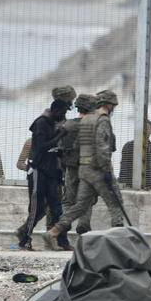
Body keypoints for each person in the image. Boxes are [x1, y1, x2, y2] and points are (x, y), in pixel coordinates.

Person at [43, 90, 123, 249]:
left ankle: (53, 231)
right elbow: (104, 147)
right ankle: (118, 241)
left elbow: (74, 146)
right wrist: (105, 169)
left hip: (82, 169)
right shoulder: (101, 120)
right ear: (108, 105)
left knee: (80, 205)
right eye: (113, 105)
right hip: (98, 168)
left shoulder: (83, 122)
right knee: (116, 202)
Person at [17, 86, 74, 251]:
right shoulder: (41, 123)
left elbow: (56, 150)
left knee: (57, 207)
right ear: (56, 111)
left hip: (51, 172)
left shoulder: (55, 123)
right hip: (38, 170)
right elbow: (41, 147)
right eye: (62, 113)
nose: (64, 116)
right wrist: (60, 135)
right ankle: (25, 239)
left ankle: (62, 240)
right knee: (36, 208)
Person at [57, 93, 96, 237]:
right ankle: (83, 225)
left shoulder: (67, 125)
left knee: (68, 200)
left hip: (71, 169)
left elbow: (59, 149)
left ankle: (65, 223)